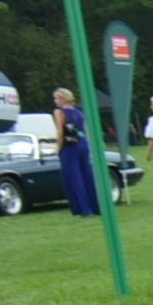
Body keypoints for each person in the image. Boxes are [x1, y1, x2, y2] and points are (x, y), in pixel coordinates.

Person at [51, 88, 101, 216]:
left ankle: (82, 209)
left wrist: (59, 147)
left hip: (70, 146)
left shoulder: (59, 112)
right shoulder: (79, 113)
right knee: (87, 176)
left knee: (74, 178)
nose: (55, 101)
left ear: (62, 99)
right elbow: (84, 130)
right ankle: (95, 206)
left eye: (56, 98)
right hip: (82, 144)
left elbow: (60, 132)